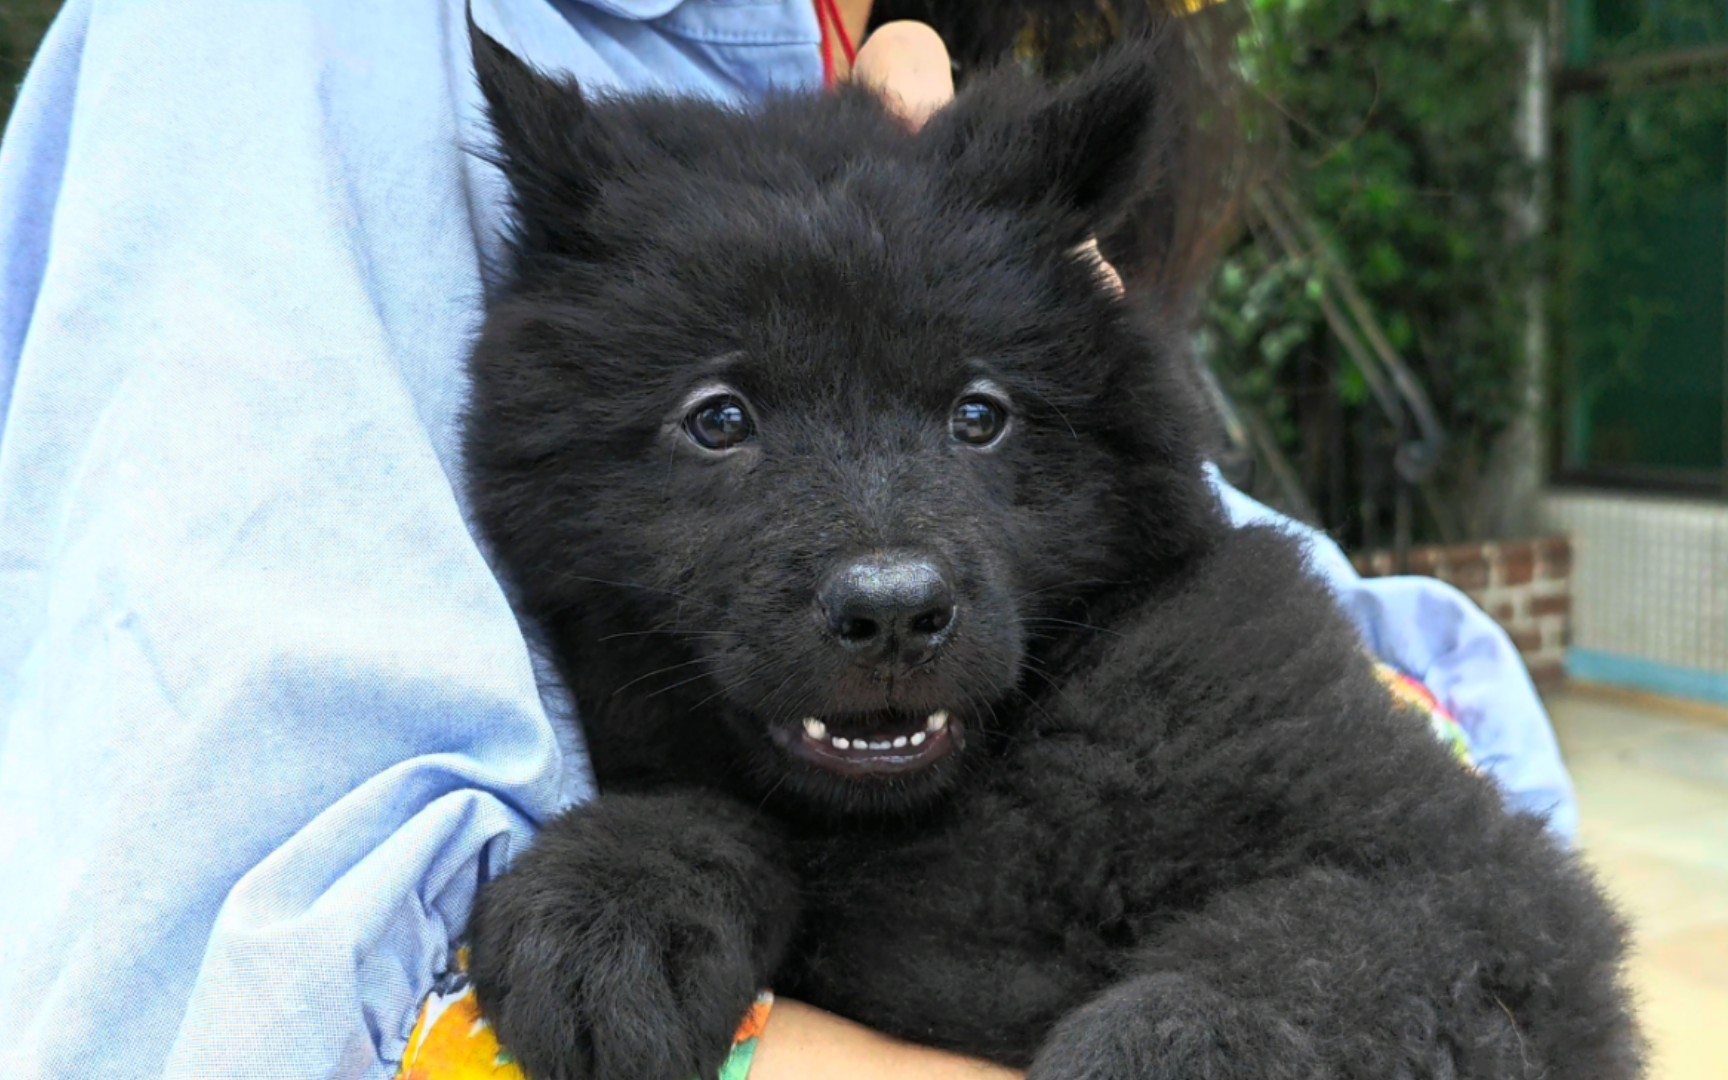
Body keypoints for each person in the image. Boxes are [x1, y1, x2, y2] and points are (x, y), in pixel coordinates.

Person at [0, 2, 1574, 1076]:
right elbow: (225, 950)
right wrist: (690, 854)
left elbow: (1506, 920)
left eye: (972, 422)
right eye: (722, 424)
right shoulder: (280, 54)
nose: (887, 560)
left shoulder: (1173, 641)